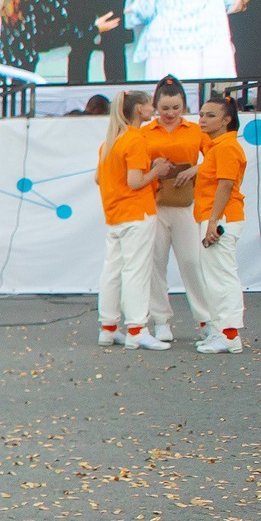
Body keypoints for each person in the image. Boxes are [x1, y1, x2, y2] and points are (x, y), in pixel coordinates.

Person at [130, 77, 216, 346]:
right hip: (153, 204)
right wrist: (152, 164)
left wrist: (195, 169)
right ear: (155, 106)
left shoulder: (195, 130)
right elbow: (132, 163)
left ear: (184, 106)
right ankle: (161, 320)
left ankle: (205, 320)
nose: (169, 114)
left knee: (191, 261)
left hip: (185, 205)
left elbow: (216, 156)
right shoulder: (144, 132)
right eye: (164, 108)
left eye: (175, 108)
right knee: (155, 262)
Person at [96, 90, 160, 347]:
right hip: (137, 214)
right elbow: (135, 181)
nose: (153, 108)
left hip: (114, 215)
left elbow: (99, 178)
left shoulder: (110, 142)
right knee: (136, 272)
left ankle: (109, 327)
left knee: (113, 270)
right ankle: (136, 329)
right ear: (139, 110)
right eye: (149, 105)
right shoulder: (135, 140)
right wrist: (157, 170)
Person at [193, 94, 248, 352]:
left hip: (221, 217)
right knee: (215, 276)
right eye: (202, 114)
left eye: (210, 115)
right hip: (214, 216)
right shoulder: (218, 145)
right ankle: (222, 331)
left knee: (222, 276)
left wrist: (213, 220)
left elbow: (225, 185)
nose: (203, 119)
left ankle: (229, 334)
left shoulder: (226, 147)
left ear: (227, 120)